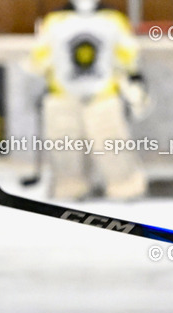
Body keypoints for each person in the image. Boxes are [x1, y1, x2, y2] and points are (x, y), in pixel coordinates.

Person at [30, 0, 149, 200]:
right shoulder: (54, 21)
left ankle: (125, 187)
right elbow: (40, 58)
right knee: (65, 146)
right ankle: (69, 187)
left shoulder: (113, 19)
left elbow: (128, 56)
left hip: (103, 96)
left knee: (111, 144)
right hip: (62, 95)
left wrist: (133, 82)